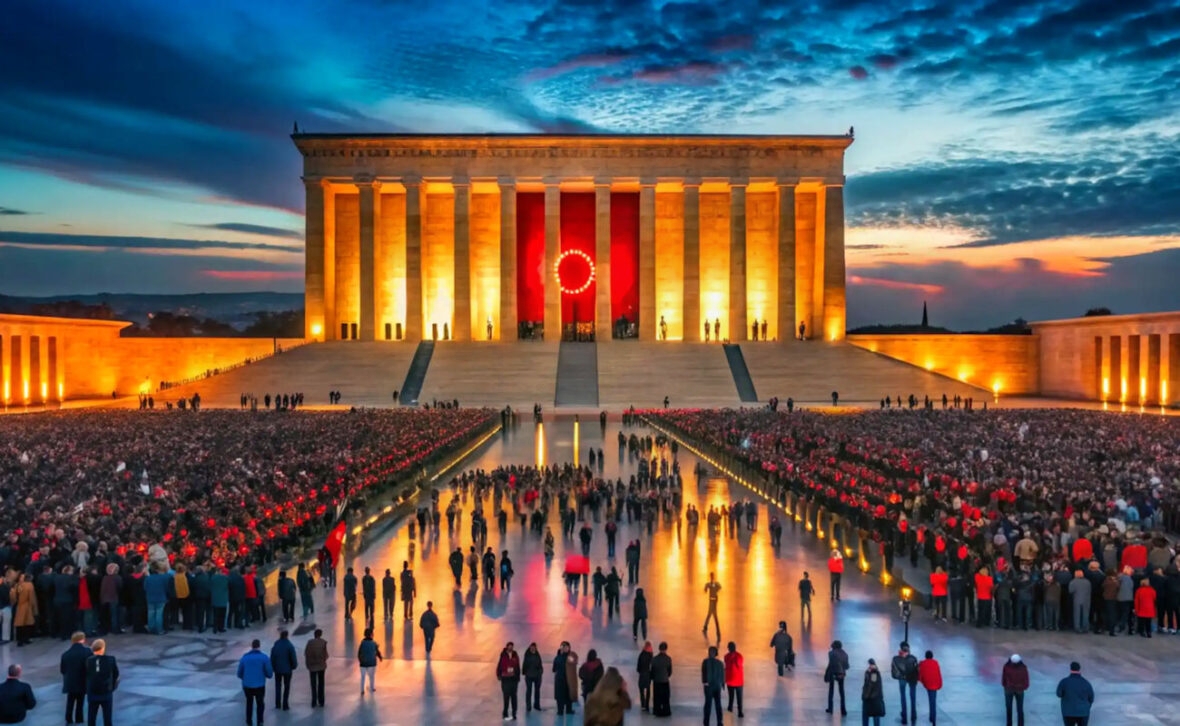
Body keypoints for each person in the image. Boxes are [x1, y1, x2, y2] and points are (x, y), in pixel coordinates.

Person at [236, 639, 272, 726]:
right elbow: (269, 673)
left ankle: (249, 721)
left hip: (247, 685)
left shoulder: (245, 658)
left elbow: (239, 673)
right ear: (259, 646)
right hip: (260, 685)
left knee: (249, 703)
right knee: (260, 703)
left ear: (252, 646)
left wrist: (245, 678)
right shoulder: (264, 657)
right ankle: (260, 721)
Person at [61, 631, 90, 725]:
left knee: (70, 701)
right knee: (80, 702)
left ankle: (68, 719)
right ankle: (79, 719)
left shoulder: (65, 654)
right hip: (82, 681)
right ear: (82, 639)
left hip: (70, 682)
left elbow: (63, 670)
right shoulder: (87, 652)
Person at [1055, 661, 1094, 726]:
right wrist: (1086, 707)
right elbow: (1091, 699)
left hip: (1068, 712)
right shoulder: (1086, 683)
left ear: (1071, 669)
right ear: (1079, 669)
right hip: (1083, 712)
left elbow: (1059, 694)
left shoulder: (1064, 682)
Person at [890, 642, 918, 726]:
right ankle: (913, 716)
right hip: (912, 679)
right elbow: (917, 670)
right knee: (913, 697)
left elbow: (893, 670)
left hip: (902, 679)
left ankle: (904, 717)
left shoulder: (896, 659)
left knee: (903, 697)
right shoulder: (913, 658)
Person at [270, 629, 298, 711]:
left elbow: (272, 657)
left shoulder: (276, 645)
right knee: (287, 686)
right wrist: (294, 666)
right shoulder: (289, 645)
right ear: (287, 635)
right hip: (287, 670)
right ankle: (285, 704)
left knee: (278, 686)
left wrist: (273, 667)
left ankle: (278, 704)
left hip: (278, 669)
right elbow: (293, 657)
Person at [1001, 654, 1029, 726]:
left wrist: (1005, 685)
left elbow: (1003, 677)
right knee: (1020, 709)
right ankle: (1021, 724)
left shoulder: (1007, 666)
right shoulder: (1023, 667)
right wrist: (1025, 686)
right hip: (1019, 689)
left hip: (1009, 689)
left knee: (1009, 708)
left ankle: (1009, 724)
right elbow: (1026, 678)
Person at [553, 642, 579, 716]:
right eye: (563, 647)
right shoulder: (558, 658)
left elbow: (575, 661)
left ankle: (567, 710)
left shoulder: (569, 657)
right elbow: (554, 669)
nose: (565, 648)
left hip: (567, 680)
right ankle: (561, 710)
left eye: (566, 647)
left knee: (568, 695)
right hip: (561, 680)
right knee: (561, 696)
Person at [497, 641, 521, 721]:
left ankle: (514, 713)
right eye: (509, 646)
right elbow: (500, 665)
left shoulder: (515, 655)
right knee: (506, 698)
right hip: (506, 680)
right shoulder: (503, 655)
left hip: (513, 680)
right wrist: (499, 675)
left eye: (512, 646)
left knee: (514, 698)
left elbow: (517, 666)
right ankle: (505, 713)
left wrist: (517, 677)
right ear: (507, 647)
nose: (510, 648)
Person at [304, 628, 328, 709]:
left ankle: (314, 701)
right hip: (321, 666)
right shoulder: (323, 642)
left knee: (313, 684)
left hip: (312, 666)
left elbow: (306, 653)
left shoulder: (310, 643)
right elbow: (326, 655)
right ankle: (321, 701)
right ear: (320, 634)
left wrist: (308, 664)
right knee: (321, 683)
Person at [701, 645, 724, 726]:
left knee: (708, 704)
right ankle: (720, 722)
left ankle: (706, 722)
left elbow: (703, 673)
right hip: (717, 686)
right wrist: (722, 684)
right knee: (718, 704)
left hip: (709, 686)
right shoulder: (720, 663)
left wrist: (704, 682)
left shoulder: (705, 662)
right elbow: (722, 674)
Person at [825, 640, 850, 716]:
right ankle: (843, 710)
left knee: (831, 690)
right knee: (842, 692)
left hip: (833, 673)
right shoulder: (845, 654)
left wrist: (827, 673)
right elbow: (847, 666)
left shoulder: (831, 653)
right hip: (841, 674)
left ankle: (830, 708)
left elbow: (831, 664)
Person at [917, 650, 942, 726]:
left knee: (931, 701)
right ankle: (933, 718)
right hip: (935, 684)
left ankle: (932, 717)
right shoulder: (935, 663)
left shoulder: (923, 664)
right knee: (933, 701)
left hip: (928, 684)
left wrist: (921, 681)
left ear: (925, 656)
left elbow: (920, 674)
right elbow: (938, 673)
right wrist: (940, 683)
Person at [357, 628, 383, 694]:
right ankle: (372, 688)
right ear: (371, 634)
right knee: (372, 676)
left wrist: (360, 660)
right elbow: (377, 652)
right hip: (372, 663)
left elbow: (359, 653)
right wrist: (380, 657)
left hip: (363, 663)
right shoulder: (374, 643)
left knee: (363, 677)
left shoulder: (362, 643)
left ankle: (362, 690)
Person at [651, 641, 673, 717]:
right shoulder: (668, 659)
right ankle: (666, 711)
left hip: (657, 681)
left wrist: (654, 677)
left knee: (657, 697)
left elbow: (652, 670)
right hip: (665, 681)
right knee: (665, 698)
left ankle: (657, 711)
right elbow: (670, 671)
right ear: (666, 649)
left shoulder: (654, 659)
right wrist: (666, 675)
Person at [862, 659, 886, 726]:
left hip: (872, 699)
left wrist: (865, 696)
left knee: (866, 714)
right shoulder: (875, 672)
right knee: (876, 715)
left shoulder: (874, 673)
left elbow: (871, 685)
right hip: (876, 698)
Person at [723, 641, 744, 718]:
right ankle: (740, 711)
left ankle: (730, 708)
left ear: (728, 648)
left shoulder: (726, 656)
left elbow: (727, 665)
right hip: (739, 681)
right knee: (739, 697)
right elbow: (739, 665)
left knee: (731, 696)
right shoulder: (739, 656)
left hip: (730, 680)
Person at [522, 642, 544, 714]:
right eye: (531, 647)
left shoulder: (537, 655)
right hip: (529, 676)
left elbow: (540, 664)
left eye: (534, 647)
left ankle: (536, 705)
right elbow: (524, 664)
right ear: (530, 647)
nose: (533, 648)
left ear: (535, 648)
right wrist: (524, 673)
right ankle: (528, 706)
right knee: (529, 691)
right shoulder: (527, 655)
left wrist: (540, 672)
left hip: (537, 676)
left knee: (537, 691)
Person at [702, 572, 722, 639]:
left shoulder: (715, 584)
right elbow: (706, 588)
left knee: (712, 615)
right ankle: (706, 627)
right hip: (711, 600)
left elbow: (719, 587)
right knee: (710, 614)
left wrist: (715, 590)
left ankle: (715, 630)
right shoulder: (710, 584)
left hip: (714, 600)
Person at [636, 641, 654, 713]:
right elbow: (652, 667)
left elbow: (638, 667)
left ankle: (643, 705)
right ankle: (647, 705)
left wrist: (640, 671)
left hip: (642, 675)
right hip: (648, 675)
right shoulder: (650, 656)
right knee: (648, 690)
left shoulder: (641, 655)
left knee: (641, 690)